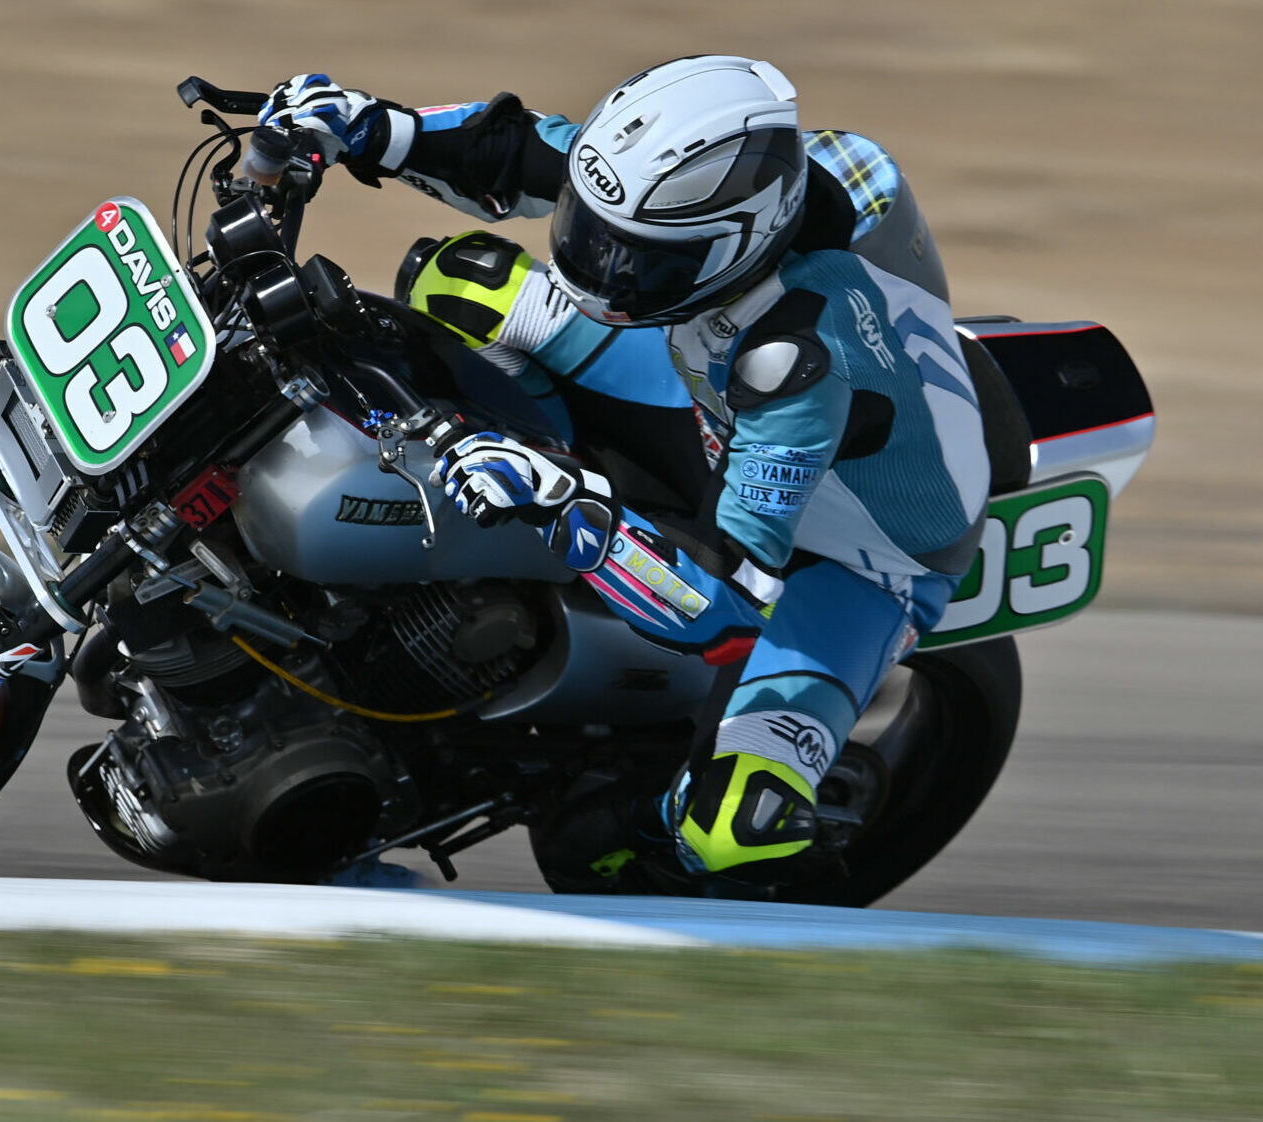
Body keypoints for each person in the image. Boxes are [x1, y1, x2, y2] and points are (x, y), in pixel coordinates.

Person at [256, 58, 989, 892]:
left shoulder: (799, 362)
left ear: (733, 247)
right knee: (454, 278)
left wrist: (566, 505)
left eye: (635, 258)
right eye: (592, 231)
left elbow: (728, 605)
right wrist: (370, 127)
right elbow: (526, 149)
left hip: (849, 555)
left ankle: (643, 816)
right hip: (712, 386)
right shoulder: (724, 184)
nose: (598, 267)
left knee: (731, 829)